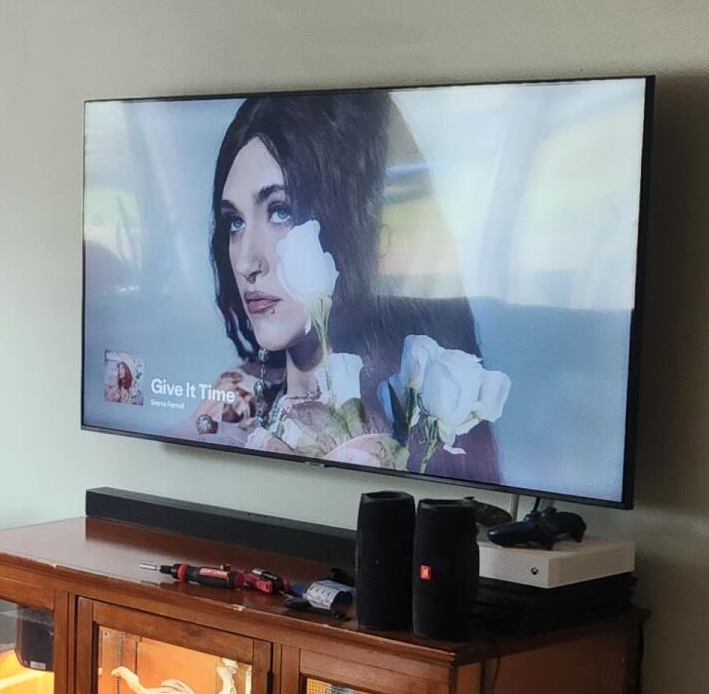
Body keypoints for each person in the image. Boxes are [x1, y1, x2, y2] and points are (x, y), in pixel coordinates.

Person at [175, 90, 503, 482]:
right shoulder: (237, 392)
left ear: (361, 229)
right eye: (235, 221)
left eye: (281, 211)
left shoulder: (399, 437)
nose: (246, 262)